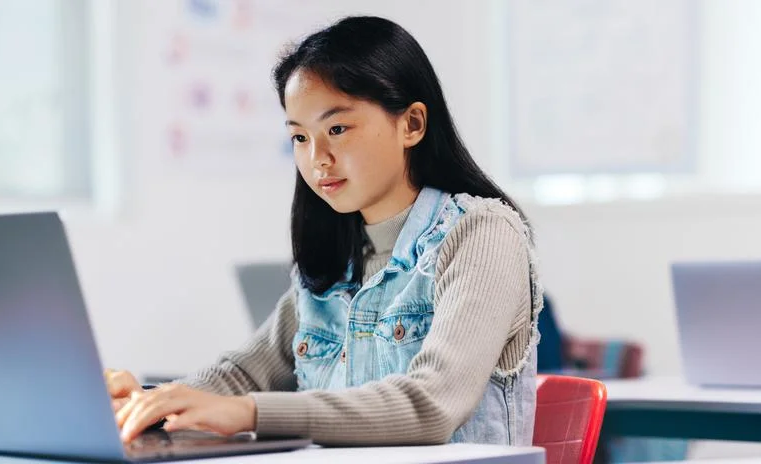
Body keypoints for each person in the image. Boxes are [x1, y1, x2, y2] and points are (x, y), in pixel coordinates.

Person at [107, 15, 542, 446]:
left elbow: (431, 404)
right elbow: (240, 376)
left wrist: (251, 412)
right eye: (299, 137)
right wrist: (151, 404)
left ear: (411, 124)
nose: (318, 158)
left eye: (337, 128)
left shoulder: (483, 234)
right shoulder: (336, 261)